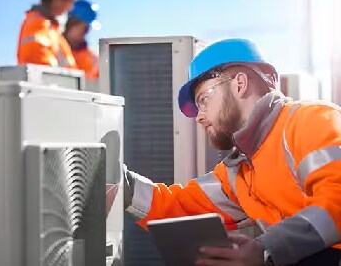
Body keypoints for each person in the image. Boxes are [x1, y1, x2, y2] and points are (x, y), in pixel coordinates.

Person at [123, 38, 341, 265]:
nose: (199, 116)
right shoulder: (239, 171)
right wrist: (120, 185)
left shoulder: (312, 121)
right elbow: (179, 208)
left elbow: (337, 201)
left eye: (203, 100)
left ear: (240, 84)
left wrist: (266, 249)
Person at [17, 0, 77, 69]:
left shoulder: (52, 29)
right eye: (68, 0)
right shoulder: (38, 23)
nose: (70, 8)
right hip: (49, 79)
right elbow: (39, 63)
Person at [63, 0, 99, 79]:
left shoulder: (94, 59)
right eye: (85, 28)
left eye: (88, 28)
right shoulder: (53, 48)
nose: (86, 32)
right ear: (71, 23)